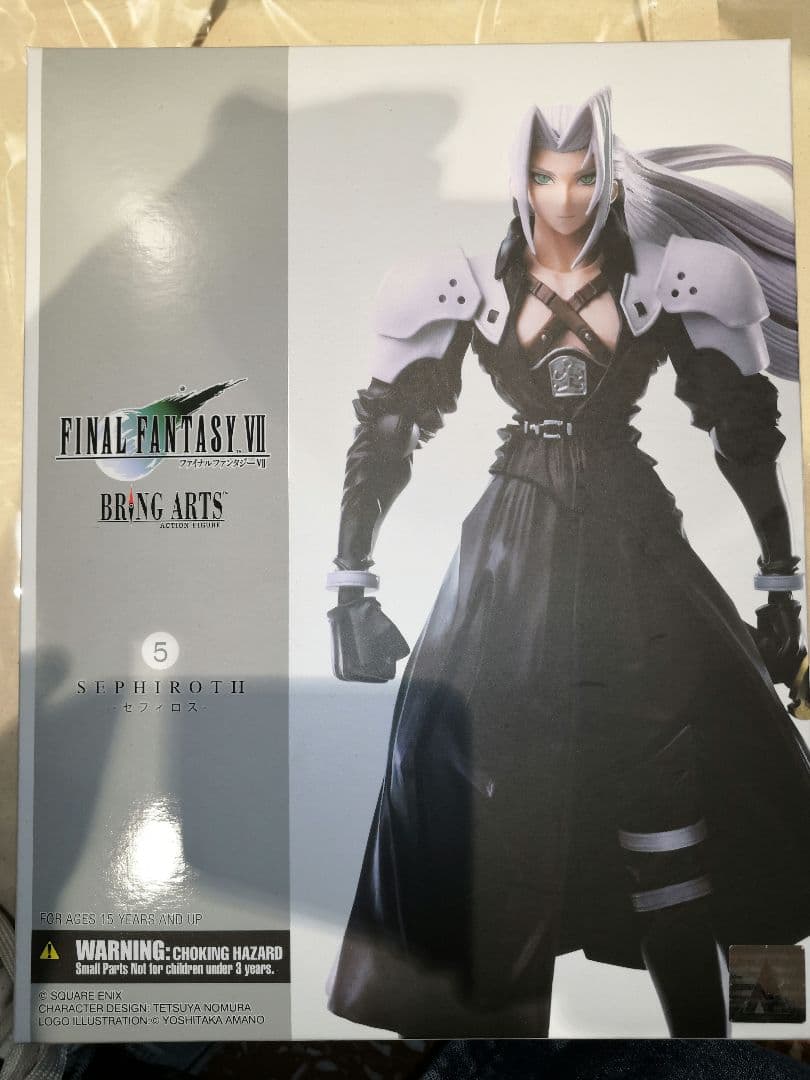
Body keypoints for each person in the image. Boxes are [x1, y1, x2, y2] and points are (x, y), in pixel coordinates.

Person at [325, 88, 810, 1038]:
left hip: (636, 554)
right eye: (546, 175)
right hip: (513, 559)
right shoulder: (461, 286)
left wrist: (781, 583)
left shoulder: (677, 278)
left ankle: (725, 1047)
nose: (564, 196)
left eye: (584, 175)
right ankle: (490, 1043)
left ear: (611, 175)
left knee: (691, 797)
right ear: (520, 178)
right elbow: (387, 436)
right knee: (486, 800)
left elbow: (746, 439)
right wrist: (350, 583)